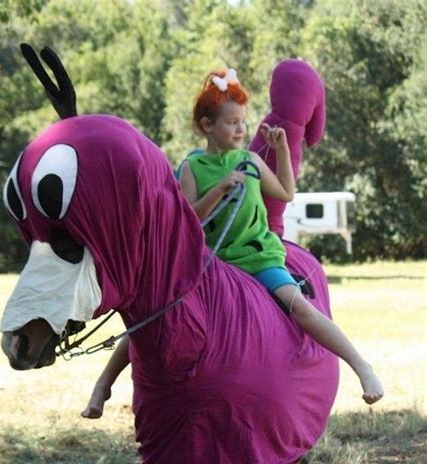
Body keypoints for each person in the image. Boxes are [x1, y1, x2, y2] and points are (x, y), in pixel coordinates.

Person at [82, 69, 383, 418]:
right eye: (232, 122)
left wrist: (282, 151)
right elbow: (188, 220)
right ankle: (103, 384)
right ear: (208, 126)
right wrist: (220, 188)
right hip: (210, 263)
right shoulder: (192, 168)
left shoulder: (251, 161)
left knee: (299, 307)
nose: (241, 129)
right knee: (154, 315)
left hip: (257, 258)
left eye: (243, 122)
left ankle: (362, 367)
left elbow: (286, 192)